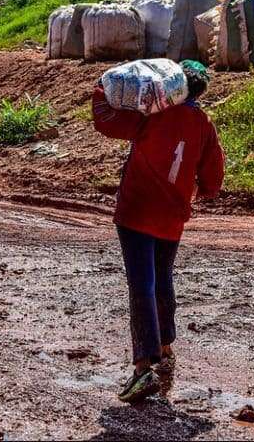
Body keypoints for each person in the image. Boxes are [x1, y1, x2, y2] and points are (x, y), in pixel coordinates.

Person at [92, 60, 225, 404]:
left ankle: (142, 370)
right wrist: (196, 188)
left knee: (142, 285)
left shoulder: (151, 114)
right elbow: (213, 180)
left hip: (136, 212)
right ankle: (165, 348)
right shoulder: (203, 124)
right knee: (162, 278)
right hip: (172, 218)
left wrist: (99, 90)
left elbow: (107, 122)